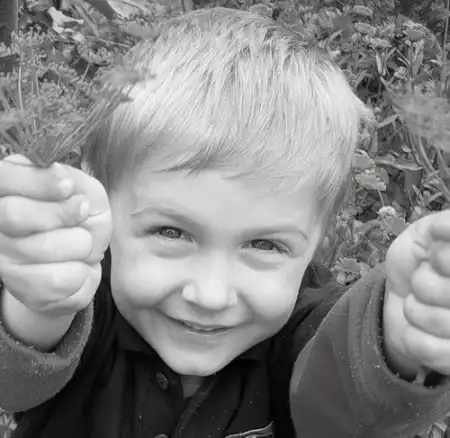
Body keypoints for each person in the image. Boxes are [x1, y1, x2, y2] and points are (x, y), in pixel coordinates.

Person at [0, 7, 450, 438]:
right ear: (101, 204)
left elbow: (350, 400)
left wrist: (401, 340)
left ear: (320, 238)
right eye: (171, 232)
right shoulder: (85, 306)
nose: (211, 295)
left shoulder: (303, 333)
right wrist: (41, 303)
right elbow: (14, 382)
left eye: (264, 245)